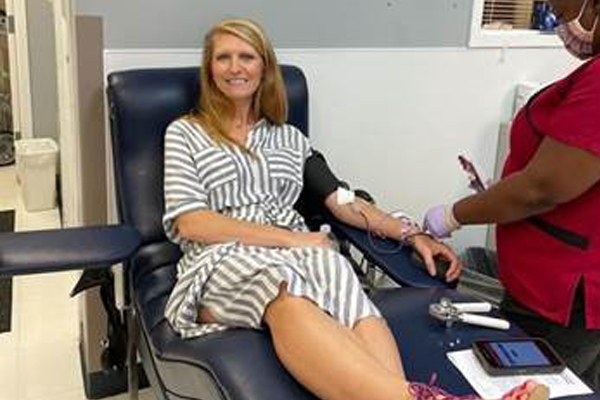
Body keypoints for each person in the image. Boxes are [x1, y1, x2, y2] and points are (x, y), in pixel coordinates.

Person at [162, 18, 548, 400]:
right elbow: (192, 221)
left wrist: (414, 235)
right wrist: (293, 240)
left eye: (246, 56)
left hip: (298, 251)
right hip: (224, 255)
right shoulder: (186, 133)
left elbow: (344, 202)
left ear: (264, 66)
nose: (234, 67)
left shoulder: (289, 138)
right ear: (209, 69)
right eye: (222, 57)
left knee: (343, 284)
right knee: (283, 289)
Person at [424, 0, 600, 392]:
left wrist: (453, 215)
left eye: (559, 4)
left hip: (563, 294)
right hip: (547, 281)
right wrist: (498, 193)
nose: (555, 16)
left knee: (530, 389)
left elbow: (544, 187)